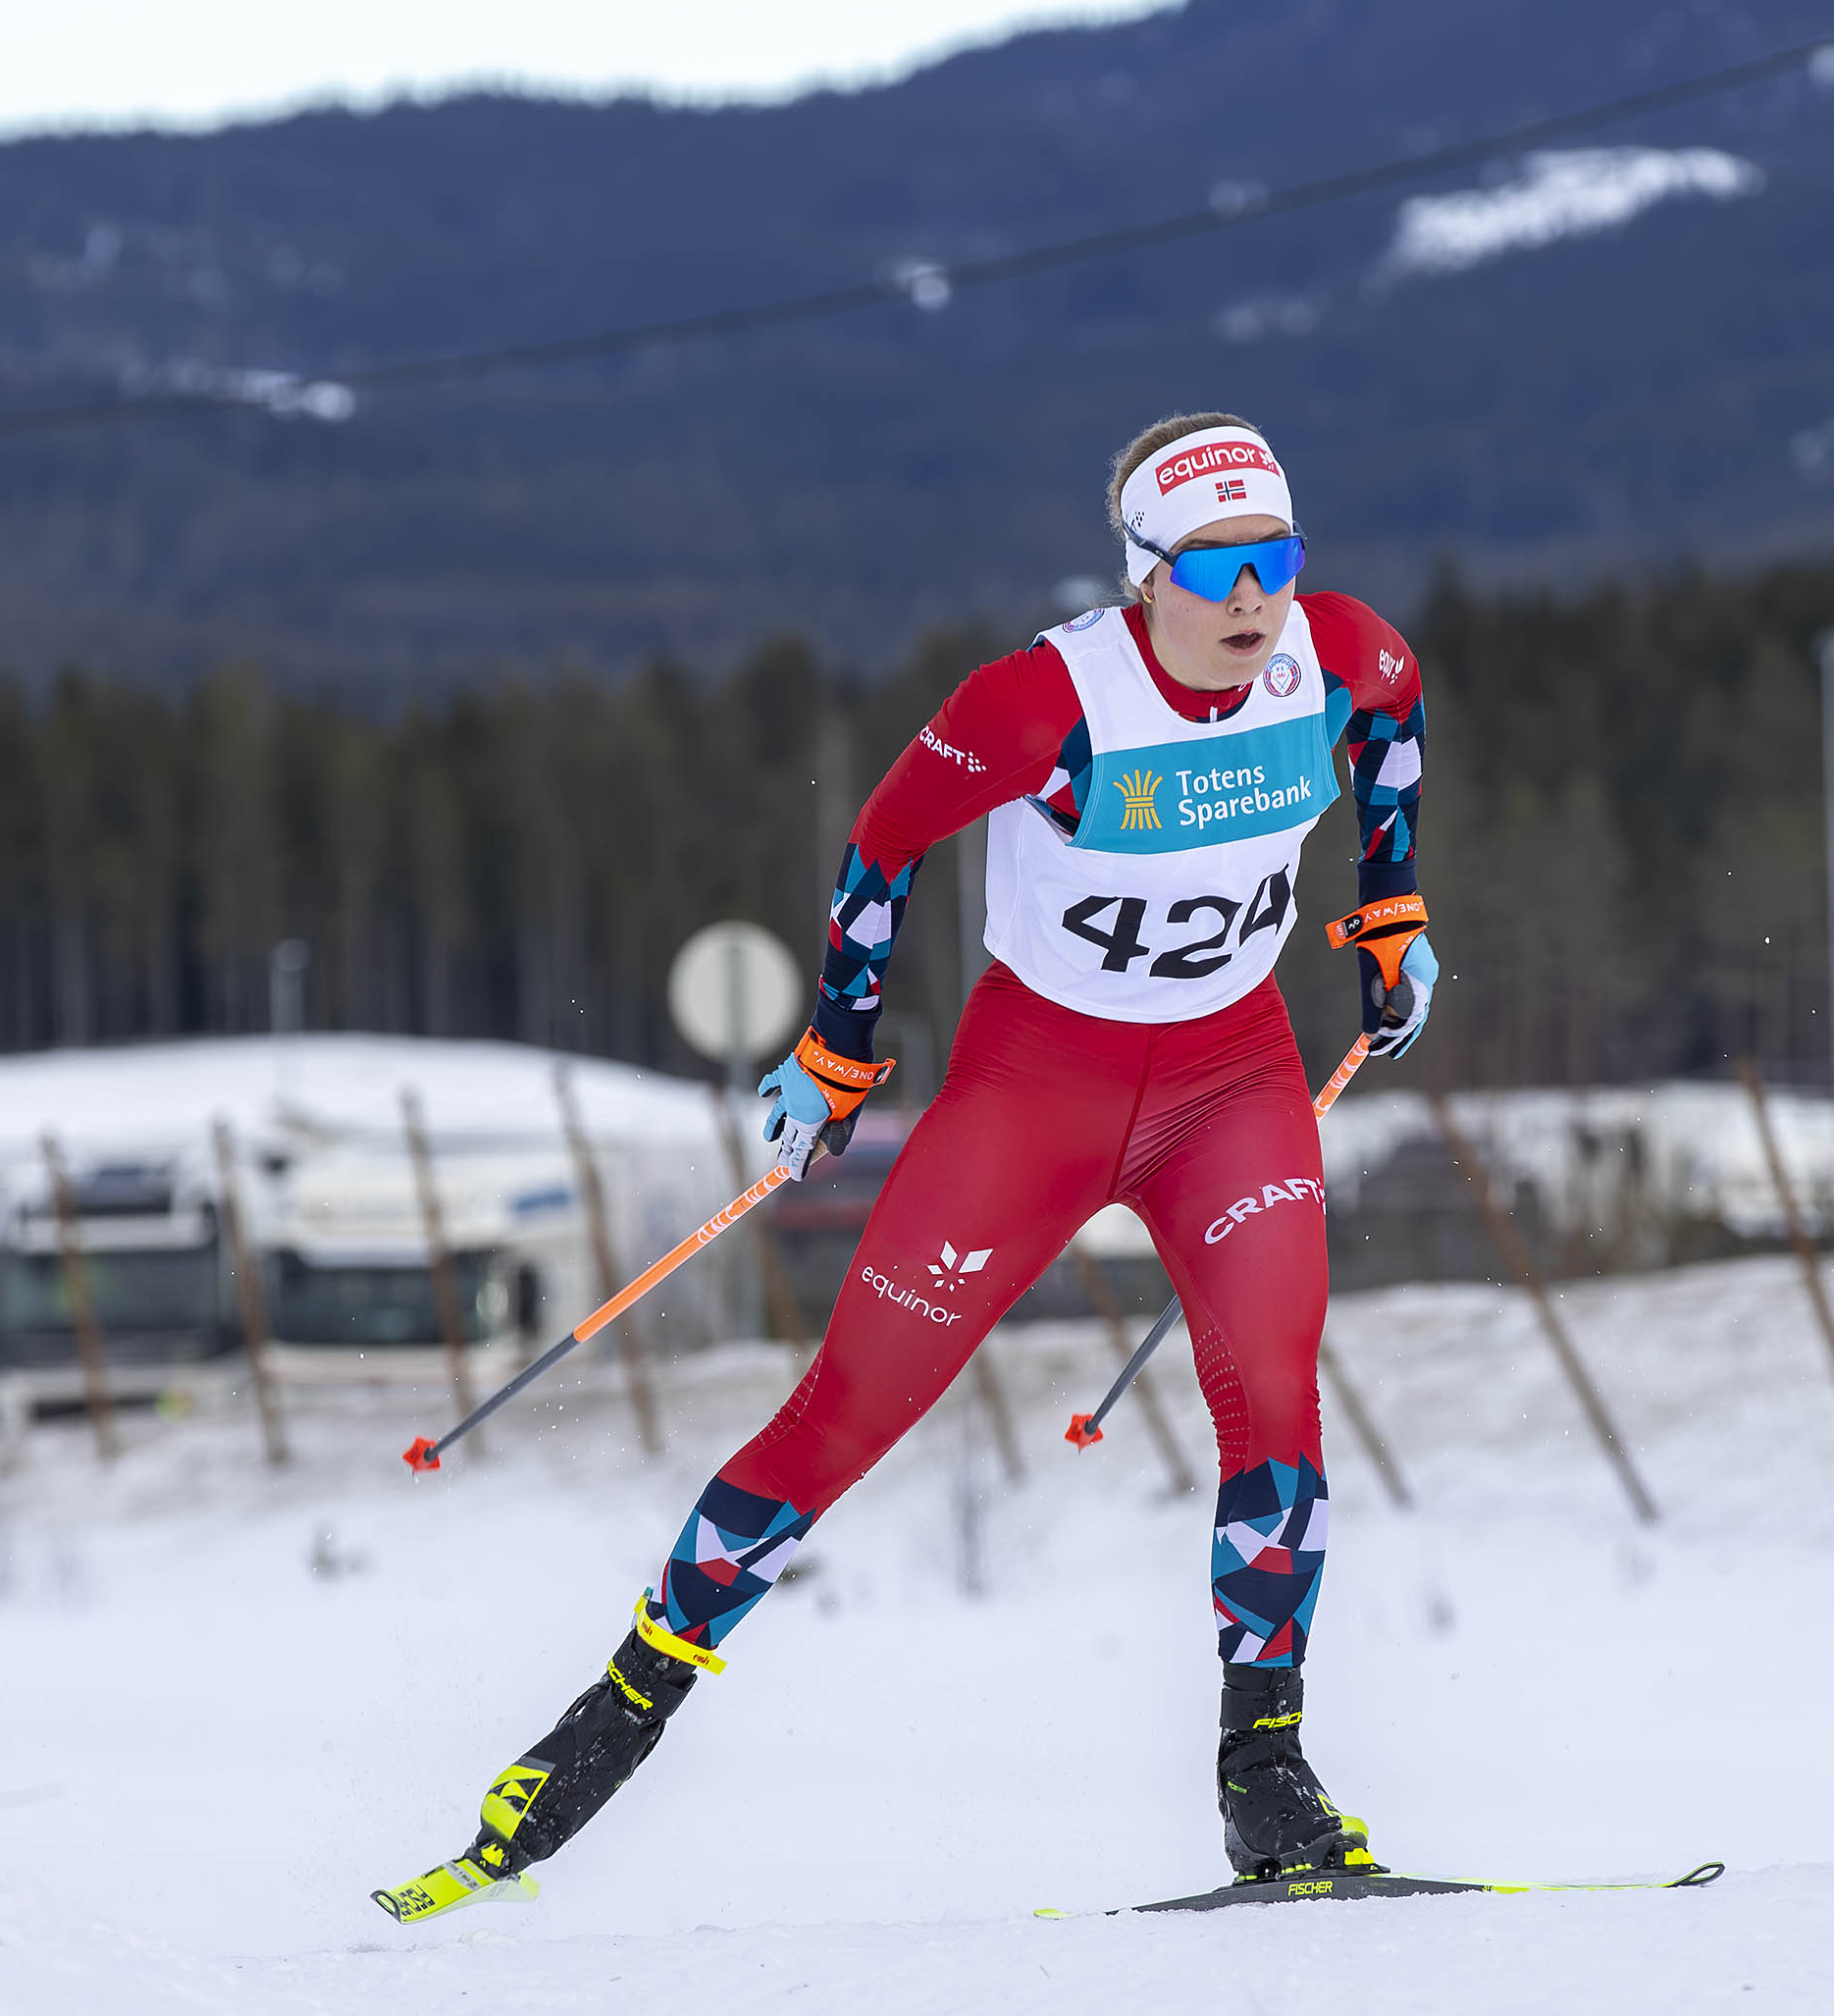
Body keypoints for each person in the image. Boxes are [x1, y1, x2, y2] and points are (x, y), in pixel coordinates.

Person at [382, 413, 1439, 1916]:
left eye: (1277, 559)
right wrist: (834, 1049)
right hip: (1037, 1092)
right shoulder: (1038, 705)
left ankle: (1266, 1774)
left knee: (1275, 1393)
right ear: (1144, 577)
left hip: (1233, 1083)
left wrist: (1390, 918)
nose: (1253, 597)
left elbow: (1394, 739)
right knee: (844, 1414)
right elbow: (882, 847)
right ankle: (603, 1730)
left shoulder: (1341, 657)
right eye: (1214, 571)